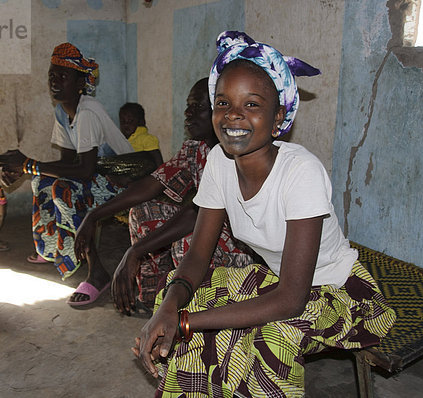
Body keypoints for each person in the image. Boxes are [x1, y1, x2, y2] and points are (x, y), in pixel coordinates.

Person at [134, 31, 396, 397]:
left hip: (342, 294)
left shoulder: (300, 172)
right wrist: (171, 308)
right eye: (223, 103)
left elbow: (291, 299)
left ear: (278, 119)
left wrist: (186, 322)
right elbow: (197, 256)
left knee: (271, 334)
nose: (234, 115)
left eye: (252, 104)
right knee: (182, 295)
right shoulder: (219, 163)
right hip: (280, 281)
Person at [75, 78, 253, 312]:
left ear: (221, 110)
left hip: (241, 252)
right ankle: (155, 301)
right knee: (143, 212)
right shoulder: (195, 148)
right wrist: (94, 216)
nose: (188, 113)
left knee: (187, 241)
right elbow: (152, 183)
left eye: (198, 107)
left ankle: (191, 311)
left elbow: (197, 215)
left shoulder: (234, 154)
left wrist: (135, 252)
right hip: (210, 229)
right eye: (188, 106)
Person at [0, 42, 134, 305]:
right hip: (98, 176)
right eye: (52, 75)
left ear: (81, 82)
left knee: (65, 189)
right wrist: (25, 169)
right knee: (42, 180)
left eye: (63, 76)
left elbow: (83, 171)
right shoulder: (63, 111)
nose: (55, 81)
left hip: (124, 181)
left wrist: (28, 163)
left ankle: (97, 274)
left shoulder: (88, 111)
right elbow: (67, 162)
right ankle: (53, 248)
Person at [119, 102, 164, 167]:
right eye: (123, 121)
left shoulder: (147, 139)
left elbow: (158, 161)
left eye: (130, 121)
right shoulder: (122, 141)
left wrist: (160, 176)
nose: (126, 124)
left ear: (141, 121)